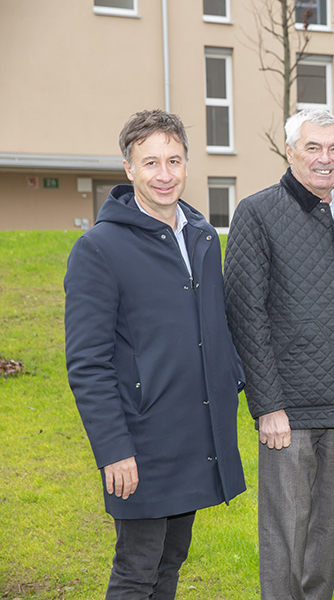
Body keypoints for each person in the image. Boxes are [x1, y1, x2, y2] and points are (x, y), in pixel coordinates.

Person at [64, 109, 246, 599]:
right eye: (150, 163)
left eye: (174, 160)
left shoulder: (204, 237)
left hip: (196, 432)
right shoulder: (98, 249)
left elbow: (214, 328)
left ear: (187, 164)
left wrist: (234, 378)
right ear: (129, 169)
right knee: (136, 570)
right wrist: (114, 449)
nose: (164, 175)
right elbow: (87, 363)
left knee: (171, 563)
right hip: (142, 441)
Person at [224, 108, 334, 600]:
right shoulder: (257, 212)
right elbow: (246, 315)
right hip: (288, 410)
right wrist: (268, 406)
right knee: (285, 534)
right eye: (313, 147)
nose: (325, 158)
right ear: (289, 151)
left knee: (327, 534)